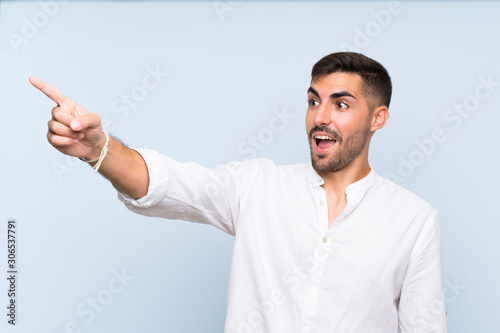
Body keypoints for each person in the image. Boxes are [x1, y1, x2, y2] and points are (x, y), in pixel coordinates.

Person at [31, 52, 447, 333]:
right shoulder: (258, 185)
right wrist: (97, 150)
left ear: (378, 118)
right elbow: (167, 183)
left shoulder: (413, 220)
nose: (320, 118)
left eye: (340, 105)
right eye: (312, 100)